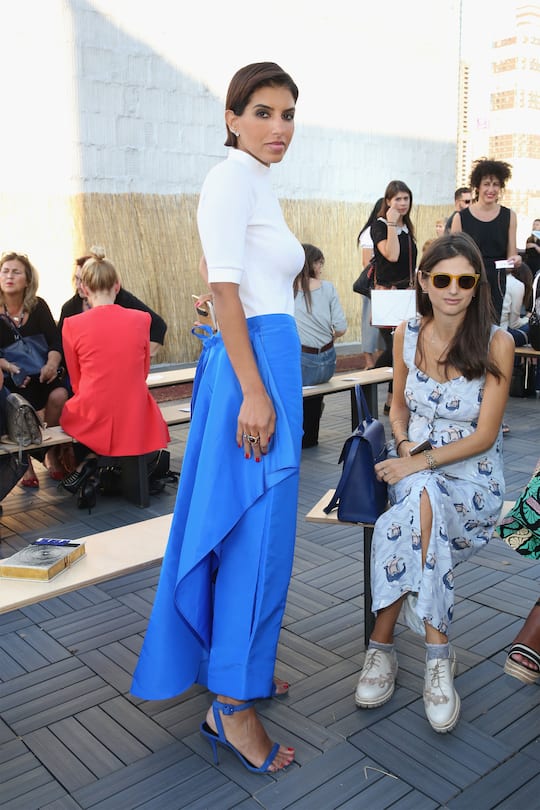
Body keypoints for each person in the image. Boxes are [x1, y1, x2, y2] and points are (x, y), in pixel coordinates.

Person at [131, 62, 304, 775]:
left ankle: (242, 666)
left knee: (250, 533)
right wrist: (255, 392)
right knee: (257, 539)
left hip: (261, 361)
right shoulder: (231, 178)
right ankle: (231, 705)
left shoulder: (253, 181)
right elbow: (226, 292)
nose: (279, 127)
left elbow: (226, 280)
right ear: (232, 118)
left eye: (288, 114)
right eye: (263, 112)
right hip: (255, 370)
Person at [354, 232, 514, 734]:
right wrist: (404, 446)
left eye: (465, 281)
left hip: (473, 478)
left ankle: (381, 647)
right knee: (421, 503)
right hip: (412, 464)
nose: (453, 290)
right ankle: (437, 654)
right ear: (423, 281)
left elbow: (484, 436)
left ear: (477, 285)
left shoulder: (498, 342)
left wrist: (416, 464)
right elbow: (397, 407)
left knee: (415, 507)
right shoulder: (406, 333)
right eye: (442, 279)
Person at [59, 247, 170, 493]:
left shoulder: (71, 324)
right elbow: (142, 372)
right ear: (117, 286)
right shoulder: (141, 319)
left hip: (93, 406)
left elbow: (76, 380)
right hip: (134, 406)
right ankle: (105, 468)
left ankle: (91, 463)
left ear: (84, 289)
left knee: (78, 410)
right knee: (129, 409)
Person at [0, 251, 69, 487]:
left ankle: (50, 452)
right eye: (5, 271)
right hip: (11, 379)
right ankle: (25, 461)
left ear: (27, 280)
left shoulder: (38, 306)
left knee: (60, 395)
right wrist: (9, 367)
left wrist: (52, 364)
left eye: (16, 272)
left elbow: (55, 341)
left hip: (42, 375)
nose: (9, 276)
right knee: (15, 403)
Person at [451, 158, 521, 322]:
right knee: (465, 326)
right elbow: (452, 257)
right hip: (468, 280)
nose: (491, 189)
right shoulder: (460, 218)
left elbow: (511, 256)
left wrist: (516, 260)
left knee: (491, 327)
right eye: (486, 184)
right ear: (478, 186)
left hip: (496, 282)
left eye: (496, 184)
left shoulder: (509, 216)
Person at [59, 255, 167, 357]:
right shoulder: (69, 308)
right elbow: (61, 345)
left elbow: (158, 326)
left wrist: (140, 358)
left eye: (82, 280)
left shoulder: (123, 299)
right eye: (76, 278)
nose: (78, 285)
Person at [371, 180, 418, 413]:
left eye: (406, 198)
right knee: (394, 349)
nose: (402, 203)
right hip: (388, 296)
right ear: (388, 201)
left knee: (403, 350)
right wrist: (391, 223)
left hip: (406, 296)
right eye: (397, 199)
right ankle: (366, 381)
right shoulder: (380, 225)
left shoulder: (407, 227)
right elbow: (392, 255)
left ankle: (391, 401)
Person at [294, 243, 347, 448]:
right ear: (312, 264)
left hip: (302, 362)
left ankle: (300, 436)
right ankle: (311, 436)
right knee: (314, 393)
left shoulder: (288, 289)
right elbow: (341, 327)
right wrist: (330, 338)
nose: (321, 268)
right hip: (328, 363)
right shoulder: (328, 288)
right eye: (319, 263)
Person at [357, 199, 384, 369]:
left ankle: (382, 358)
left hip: (389, 286)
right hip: (374, 285)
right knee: (370, 324)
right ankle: (369, 361)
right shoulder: (369, 232)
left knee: (385, 325)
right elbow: (366, 262)